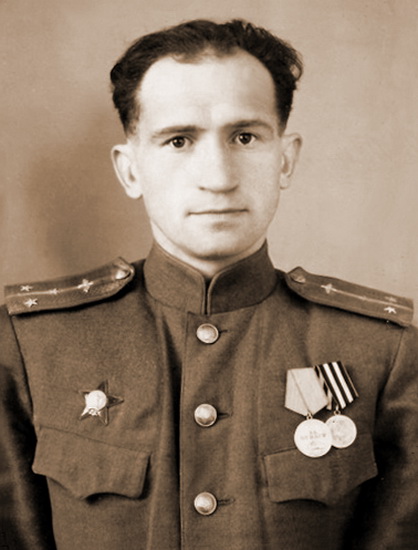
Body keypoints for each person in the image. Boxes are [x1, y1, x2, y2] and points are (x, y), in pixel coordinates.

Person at [0, 18, 417, 550]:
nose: (218, 177)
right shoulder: (31, 346)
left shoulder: (382, 351)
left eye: (245, 137)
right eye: (178, 141)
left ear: (285, 159)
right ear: (130, 170)